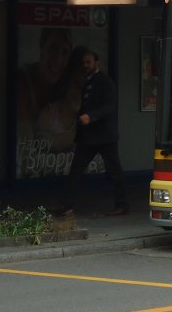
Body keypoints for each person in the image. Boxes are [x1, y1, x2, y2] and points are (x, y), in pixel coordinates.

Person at [53, 49, 128, 216]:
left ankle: (122, 205)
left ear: (97, 63)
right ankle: (66, 205)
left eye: (88, 62)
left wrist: (91, 116)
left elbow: (109, 106)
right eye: (84, 63)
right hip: (88, 136)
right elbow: (86, 106)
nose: (85, 65)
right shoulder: (88, 81)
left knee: (114, 170)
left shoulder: (105, 81)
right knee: (76, 170)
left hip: (104, 136)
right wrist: (78, 119)